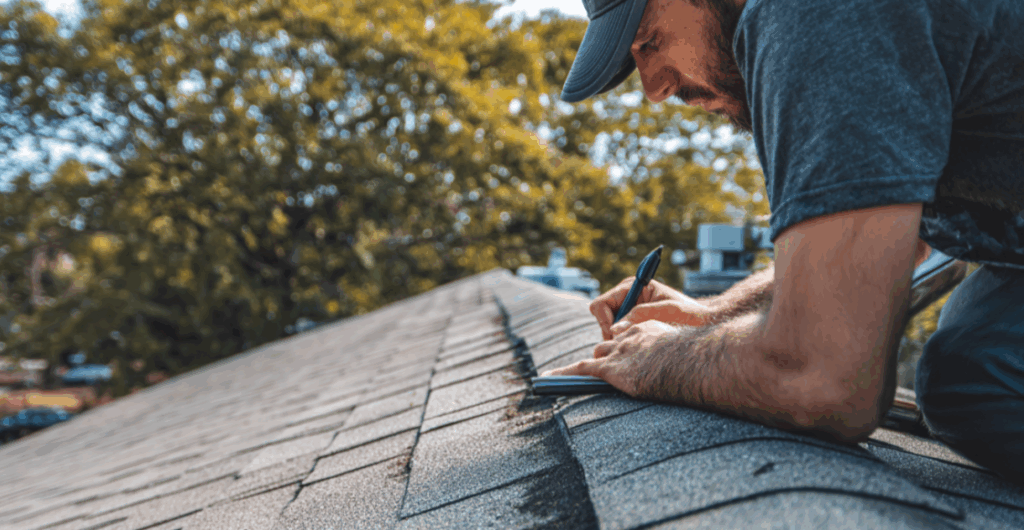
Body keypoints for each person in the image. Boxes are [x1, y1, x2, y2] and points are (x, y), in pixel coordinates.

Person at [543, 0, 1024, 483]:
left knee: (975, 377)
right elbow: (887, 247)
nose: (655, 89)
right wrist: (717, 315)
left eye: (650, 42)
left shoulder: (813, 13)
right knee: (973, 360)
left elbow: (826, 381)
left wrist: (656, 361)